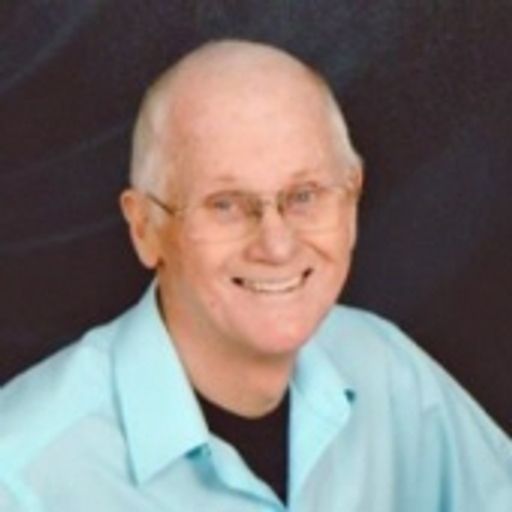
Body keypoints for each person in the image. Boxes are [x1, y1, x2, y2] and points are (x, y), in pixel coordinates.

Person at [0, 40, 510, 512]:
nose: (277, 244)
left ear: (351, 202)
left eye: (305, 195)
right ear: (145, 228)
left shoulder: (387, 370)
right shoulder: (21, 474)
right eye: (226, 204)